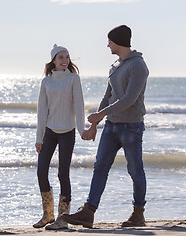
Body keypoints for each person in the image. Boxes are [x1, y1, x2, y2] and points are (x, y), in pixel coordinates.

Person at [61, 25, 149, 228]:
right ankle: (89, 212)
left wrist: (101, 113)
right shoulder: (115, 65)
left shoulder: (138, 65)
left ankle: (138, 213)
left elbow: (129, 99)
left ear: (117, 41)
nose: (107, 44)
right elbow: (108, 96)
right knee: (100, 167)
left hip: (131, 126)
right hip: (112, 126)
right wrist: (95, 125)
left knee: (135, 170)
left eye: (109, 41)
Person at [33, 44, 85, 230]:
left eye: (67, 57)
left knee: (63, 174)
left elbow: (79, 106)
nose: (65, 60)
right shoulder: (46, 82)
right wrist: (39, 138)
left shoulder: (73, 79)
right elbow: (41, 112)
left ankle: (63, 218)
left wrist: (82, 130)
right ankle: (48, 215)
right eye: (61, 57)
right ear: (53, 60)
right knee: (41, 172)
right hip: (49, 132)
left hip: (67, 132)